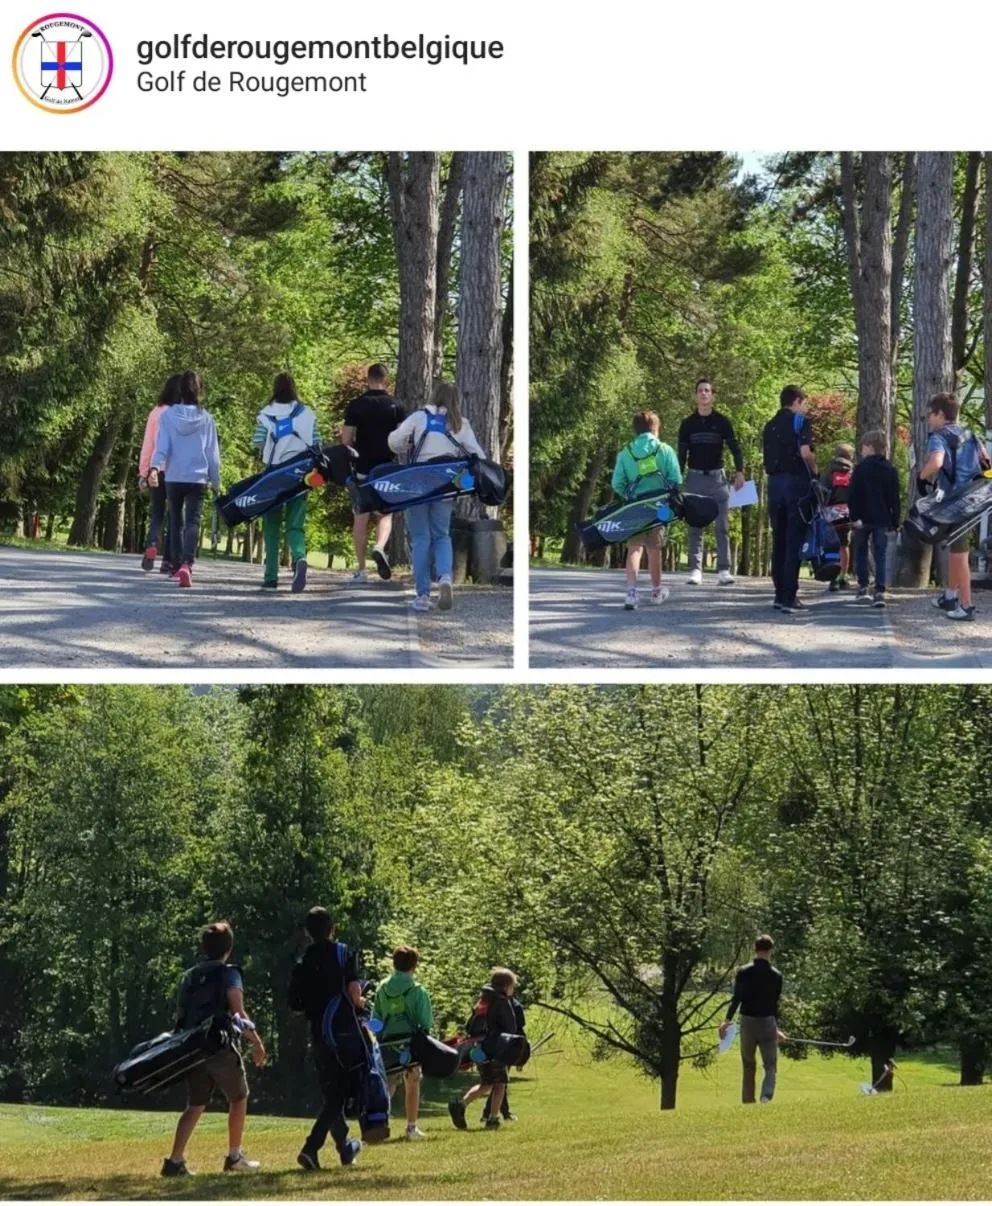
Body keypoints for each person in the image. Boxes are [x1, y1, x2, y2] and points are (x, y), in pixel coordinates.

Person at [161, 921, 266, 1177]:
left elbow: (182, 1015)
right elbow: (238, 1012)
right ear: (228, 948)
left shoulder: (190, 976)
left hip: (193, 1048)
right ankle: (234, 1156)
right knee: (239, 1097)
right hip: (219, 1046)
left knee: (195, 1104)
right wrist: (256, 1042)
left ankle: (174, 1161)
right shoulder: (229, 973)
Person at [387, 381, 486, 612]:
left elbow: (393, 442)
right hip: (445, 484)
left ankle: (422, 595)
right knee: (442, 535)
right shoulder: (460, 424)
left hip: (418, 482)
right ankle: (444, 578)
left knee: (421, 538)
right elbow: (478, 455)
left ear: (433, 396)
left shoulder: (419, 418)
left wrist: (407, 444)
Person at [288, 906, 364, 1172]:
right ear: (332, 928)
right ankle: (311, 1147)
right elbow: (355, 993)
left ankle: (345, 1148)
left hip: (318, 1033)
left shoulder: (303, 961)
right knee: (340, 1094)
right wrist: (362, 1003)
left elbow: (294, 1004)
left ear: (308, 933)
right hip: (343, 1031)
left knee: (332, 1092)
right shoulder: (343, 953)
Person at [922, 392, 990, 622]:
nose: (928, 419)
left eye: (930, 414)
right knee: (954, 549)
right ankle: (950, 596)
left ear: (941, 414)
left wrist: (922, 475)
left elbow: (935, 463)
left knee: (960, 555)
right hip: (976, 497)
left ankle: (966, 606)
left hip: (955, 503)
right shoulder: (970, 434)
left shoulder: (938, 436)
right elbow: (987, 463)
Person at [150, 370, 221, 590]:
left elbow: (162, 447)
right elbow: (212, 453)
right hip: (197, 477)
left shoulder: (168, 416)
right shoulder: (206, 418)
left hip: (173, 476)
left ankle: (175, 565)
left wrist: (154, 467)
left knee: (176, 521)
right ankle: (187, 565)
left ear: (180, 391)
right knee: (192, 522)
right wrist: (215, 480)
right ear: (199, 391)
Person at [251, 372, 320, 593]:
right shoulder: (307, 414)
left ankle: (271, 576)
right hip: (301, 475)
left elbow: (258, 442)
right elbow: (317, 443)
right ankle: (299, 557)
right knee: (295, 525)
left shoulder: (266, 414)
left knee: (271, 526)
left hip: (273, 475)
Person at [611, 410, 682, 611]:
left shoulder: (626, 453)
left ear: (635, 430)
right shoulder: (665, 450)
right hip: (660, 507)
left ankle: (631, 593)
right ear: (656, 429)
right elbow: (676, 479)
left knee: (634, 548)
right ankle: (657, 590)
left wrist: (629, 495)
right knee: (655, 549)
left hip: (635, 507)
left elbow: (617, 482)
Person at [341, 364, 406, 583]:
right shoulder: (396, 406)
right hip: (387, 468)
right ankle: (379, 547)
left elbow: (346, 439)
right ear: (386, 380)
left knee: (360, 517)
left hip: (362, 467)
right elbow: (403, 438)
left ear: (368, 379)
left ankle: (361, 571)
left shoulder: (356, 405)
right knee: (385, 514)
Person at [677, 377, 745, 586]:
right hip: (694, 477)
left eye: (707, 390)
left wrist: (740, 471)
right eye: (700, 391)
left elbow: (735, 448)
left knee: (722, 525)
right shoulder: (687, 424)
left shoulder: (722, 421)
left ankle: (723, 570)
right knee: (695, 525)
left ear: (713, 395)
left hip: (718, 479)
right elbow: (681, 454)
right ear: (695, 396)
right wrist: (677, 480)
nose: (704, 394)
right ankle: (695, 569)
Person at [762, 385, 816, 614]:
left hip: (774, 485)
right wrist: (815, 470)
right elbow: (805, 452)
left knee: (779, 539)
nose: (804, 407)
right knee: (794, 539)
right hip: (796, 484)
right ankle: (789, 596)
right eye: (803, 402)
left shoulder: (769, 426)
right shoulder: (801, 422)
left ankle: (778, 593)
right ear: (796, 401)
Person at [372, 945, 434, 1140]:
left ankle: (378, 1123)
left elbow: (376, 1019)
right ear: (413, 966)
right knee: (412, 1081)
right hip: (410, 1042)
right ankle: (411, 1127)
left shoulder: (382, 988)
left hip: (387, 1042)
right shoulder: (417, 991)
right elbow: (425, 1022)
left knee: (388, 1085)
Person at [449, 967, 521, 1131]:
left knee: (487, 1082)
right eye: (512, 986)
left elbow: (469, 1025)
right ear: (505, 986)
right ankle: (493, 1118)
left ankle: (460, 1104)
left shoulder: (483, 1000)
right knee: (500, 1083)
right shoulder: (502, 1002)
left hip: (479, 1048)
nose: (513, 990)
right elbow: (511, 1027)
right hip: (496, 1048)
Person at [718, 934, 785, 1105]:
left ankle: (748, 1101)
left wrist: (727, 1020)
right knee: (770, 1064)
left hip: (748, 1022)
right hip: (768, 1022)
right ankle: (766, 1096)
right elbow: (774, 1004)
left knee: (748, 1064)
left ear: (754, 949)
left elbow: (737, 998)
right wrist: (776, 1028)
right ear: (770, 951)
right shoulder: (776, 975)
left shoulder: (743, 972)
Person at [848, 430, 900, 608]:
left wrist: (853, 516)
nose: (861, 451)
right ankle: (879, 590)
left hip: (862, 517)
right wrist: (894, 522)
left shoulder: (861, 468)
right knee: (880, 554)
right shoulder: (890, 469)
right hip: (882, 518)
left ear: (869, 447)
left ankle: (863, 587)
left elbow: (853, 494)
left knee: (861, 552)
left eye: (862, 447)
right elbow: (894, 498)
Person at [138, 374, 181, 574]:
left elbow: (148, 444)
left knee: (156, 514)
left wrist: (143, 472)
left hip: (156, 470)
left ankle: (152, 543)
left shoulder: (155, 413)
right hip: (177, 472)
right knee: (175, 517)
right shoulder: (182, 414)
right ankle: (169, 561)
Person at [481, 993, 524, 1123]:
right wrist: (520, 1053)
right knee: (500, 1083)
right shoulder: (513, 1005)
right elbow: (518, 1029)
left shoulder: (488, 1001)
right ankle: (491, 1113)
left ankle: (497, 1112)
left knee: (498, 1083)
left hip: (488, 1045)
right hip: (506, 1046)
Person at [819, 443, 854, 593]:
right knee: (844, 544)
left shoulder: (828, 471)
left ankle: (832, 578)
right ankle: (843, 577)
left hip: (829, 512)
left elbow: (821, 490)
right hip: (846, 511)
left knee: (831, 543)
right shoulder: (853, 471)